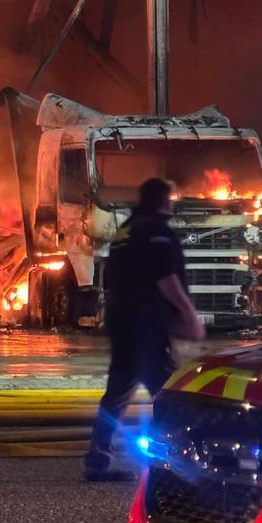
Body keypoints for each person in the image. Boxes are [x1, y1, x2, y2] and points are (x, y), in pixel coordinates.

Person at [85, 177, 205, 481]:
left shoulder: (127, 229)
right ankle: (176, 460)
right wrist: (190, 315)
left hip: (122, 323)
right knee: (170, 393)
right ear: (164, 201)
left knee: (116, 395)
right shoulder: (157, 232)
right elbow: (166, 278)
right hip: (146, 327)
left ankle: (97, 460)